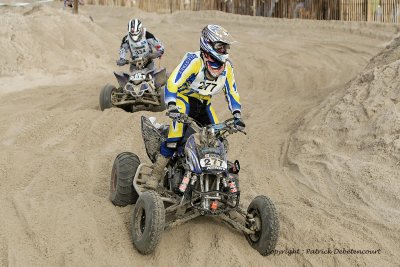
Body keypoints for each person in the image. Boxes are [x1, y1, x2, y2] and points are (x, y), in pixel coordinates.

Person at [146, 24, 245, 189]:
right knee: (174, 136)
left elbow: (232, 91)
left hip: (205, 104)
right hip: (184, 100)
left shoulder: (227, 67)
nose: (224, 51)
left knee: (218, 140)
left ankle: (215, 183)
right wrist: (171, 105)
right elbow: (172, 82)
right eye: (219, 46)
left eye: (225, 47)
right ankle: (156, 174)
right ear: (207, 43)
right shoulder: (194, 60)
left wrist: (237, 115)